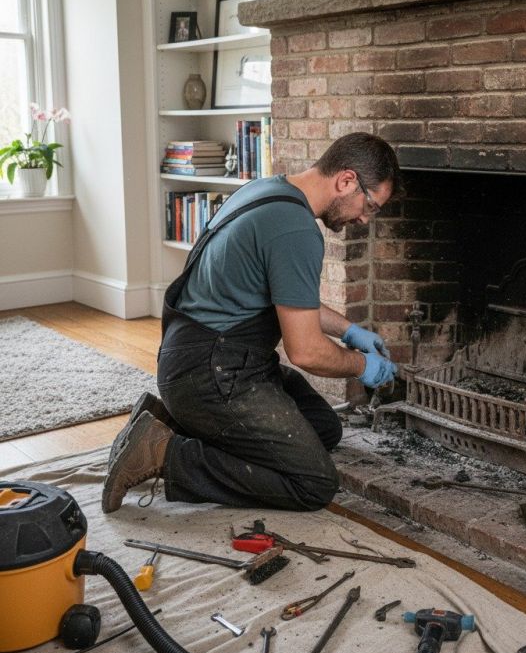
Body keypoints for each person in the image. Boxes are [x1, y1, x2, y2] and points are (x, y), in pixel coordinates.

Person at [102, 132, 401, 514]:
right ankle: (163, 453)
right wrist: (362, 366)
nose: (364, 218)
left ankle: (164, 420)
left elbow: (292, 299)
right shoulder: (296, 230)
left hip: (200, 358)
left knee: (324, 427)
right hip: (212, 375)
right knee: (314, 483)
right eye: (370, 206)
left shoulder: (267, 191)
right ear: (346, 181)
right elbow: (305, 351)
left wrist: (349, 331)